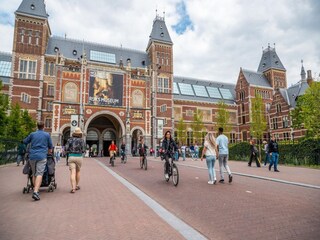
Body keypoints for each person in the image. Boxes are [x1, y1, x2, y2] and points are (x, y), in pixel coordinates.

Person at [23, 121, 53, 201]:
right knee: (40, 173)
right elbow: (50, 146)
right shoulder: (47, 135)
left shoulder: (32, 134)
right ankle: (36, 192)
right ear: (43, 126)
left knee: (34, 173)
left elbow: (25, 141)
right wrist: (49, 151)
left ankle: (35, 189)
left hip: (32, 156)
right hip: (42, 156)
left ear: (37, 126)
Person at [65, 127, 85, 193]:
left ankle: (73, 188)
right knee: (78, 171)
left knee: (72, 173)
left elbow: (66, 148)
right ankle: (76, 185)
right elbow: (83, 150)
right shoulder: (82, 140)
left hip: (71, 157)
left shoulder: (69, 140)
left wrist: (69, 151)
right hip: (79, 157)